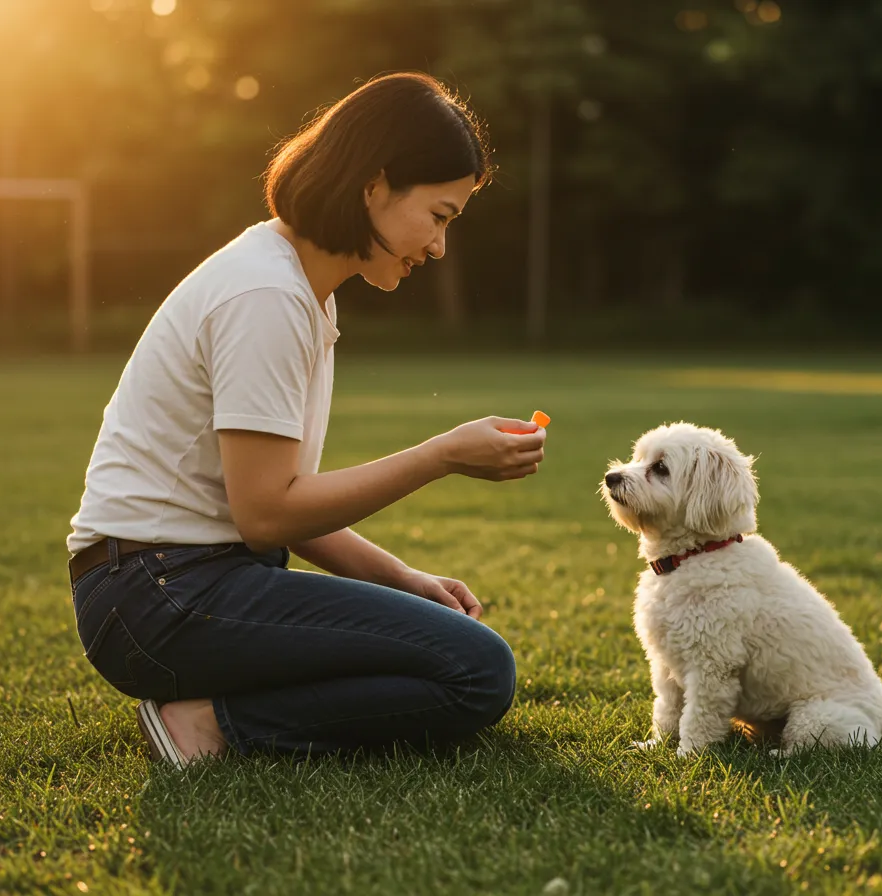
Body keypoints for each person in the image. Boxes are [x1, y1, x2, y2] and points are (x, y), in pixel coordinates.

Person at [66, 73, 546, 767]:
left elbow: (284, 504)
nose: (439, 247)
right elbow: (267, 513)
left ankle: (214, 712)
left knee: (455, 655)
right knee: (477, 671)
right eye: (439, 217)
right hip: (154, 597)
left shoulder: (297, 289)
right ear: (375, 186)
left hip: (177, 585)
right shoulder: (266, 294)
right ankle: (208, 726)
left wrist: (402, 579)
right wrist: (441, 455)